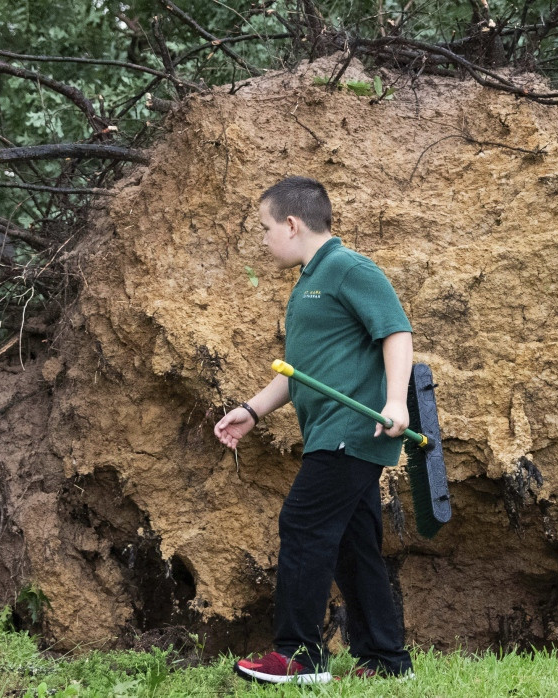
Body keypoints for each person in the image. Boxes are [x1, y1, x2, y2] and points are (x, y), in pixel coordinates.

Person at [214, 176, 415, 684]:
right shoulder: (310, 279)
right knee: (352, 543)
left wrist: (395, 402)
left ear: (291, 223)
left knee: (303, 526)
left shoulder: (348, 268)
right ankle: (388, 662)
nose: (263, 240)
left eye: (265, 228)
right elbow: (304, 369)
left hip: (352, 431)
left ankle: (299, 657)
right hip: (332, 430)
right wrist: (253, 411)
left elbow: (396, 331)